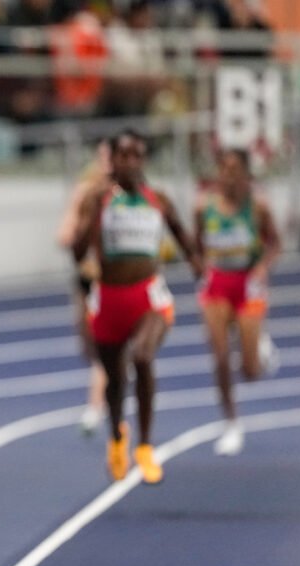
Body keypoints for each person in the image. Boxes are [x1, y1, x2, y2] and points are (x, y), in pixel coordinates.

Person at [72, 128, 202, 485]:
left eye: (136, 156)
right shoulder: (97, 198)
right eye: (123, 156)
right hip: (108, 298)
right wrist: (95, 214)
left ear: (143, 160)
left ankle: (144, 445)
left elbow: (179, 231)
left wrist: (195, 260)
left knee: (142, 357)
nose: (130, 162)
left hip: (147, 297)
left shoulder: (157, 198)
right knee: (114, 380)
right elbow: (77, 252)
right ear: (112, 160)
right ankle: (117, 436)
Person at [194, 148, 281, 455]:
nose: (229, 175)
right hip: (217, 284)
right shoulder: (204, 206)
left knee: (250, 372)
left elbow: (275, 243)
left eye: (235, 169)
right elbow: (197, 244)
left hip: (247, 284)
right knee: (219, 358)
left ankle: (259, 343)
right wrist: (203, 268)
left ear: (246, 173)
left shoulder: (258, 206)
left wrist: (261, 267)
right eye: (224, 168)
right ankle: (231, 424)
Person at [56, 139, 110, 435]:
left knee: (104, 347)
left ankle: (95, 407)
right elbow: (63, 234)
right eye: (101, 157)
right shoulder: (84, 193)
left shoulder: (126, 196)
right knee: (87, 346)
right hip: (86, 278)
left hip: (113, 282)